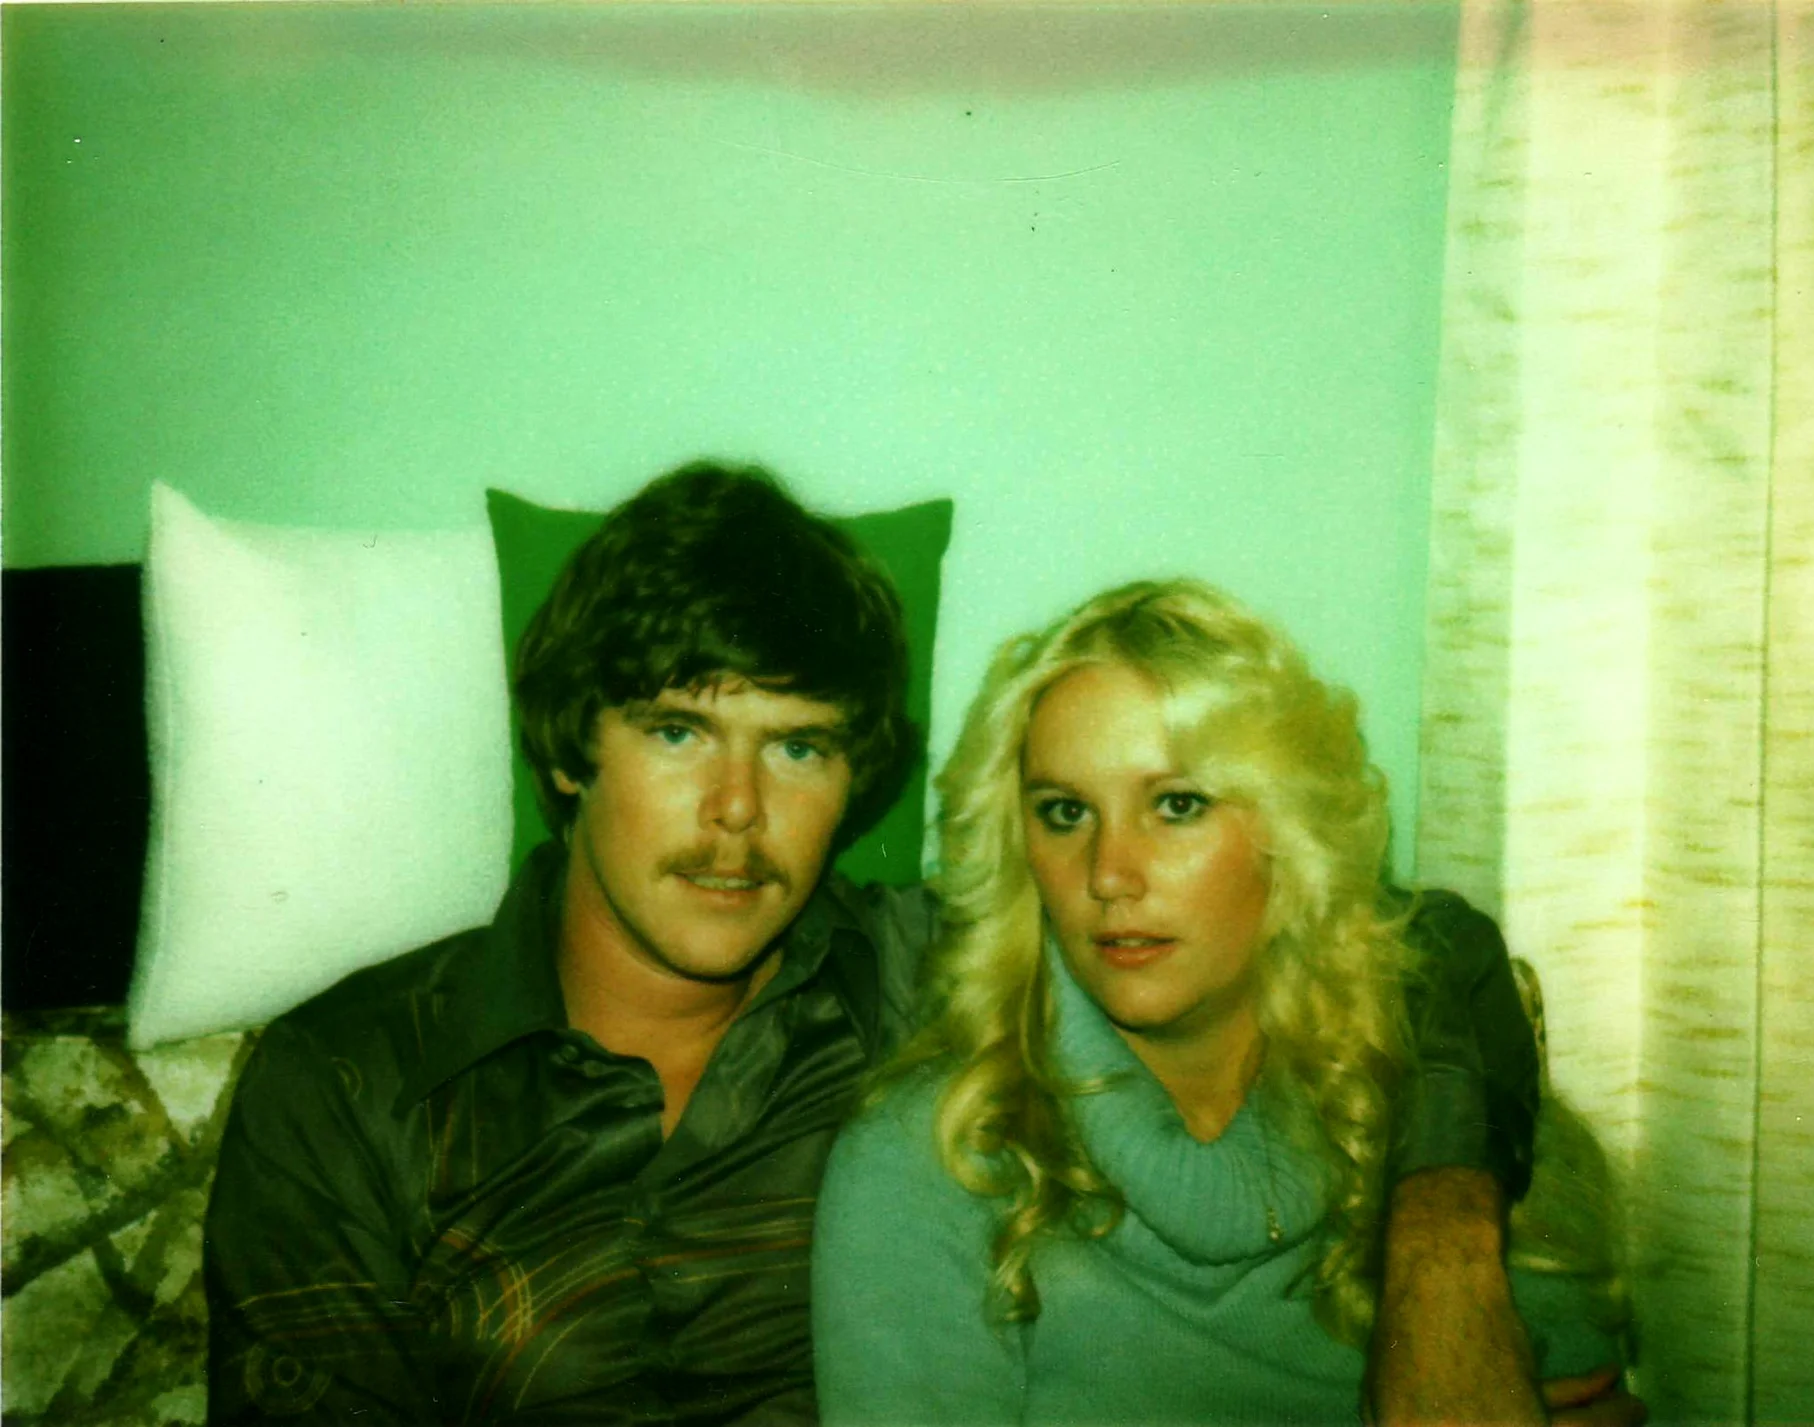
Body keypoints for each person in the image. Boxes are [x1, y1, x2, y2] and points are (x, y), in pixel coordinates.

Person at [204, 467, 1557, 1425]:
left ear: (855, 782)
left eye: (798, 746)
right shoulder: (351, 1084)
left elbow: (1418, 941)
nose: (738, 810)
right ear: (569, 746)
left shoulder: (920, 972)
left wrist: (1444, 1231)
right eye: (678, 730)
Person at [812, 579, 1634, 1426]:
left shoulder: (1437, 1105)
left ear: (1291, 832)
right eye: (1064, 812)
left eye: (1179, 805)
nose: (1109, 874)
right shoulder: (934, 1157)